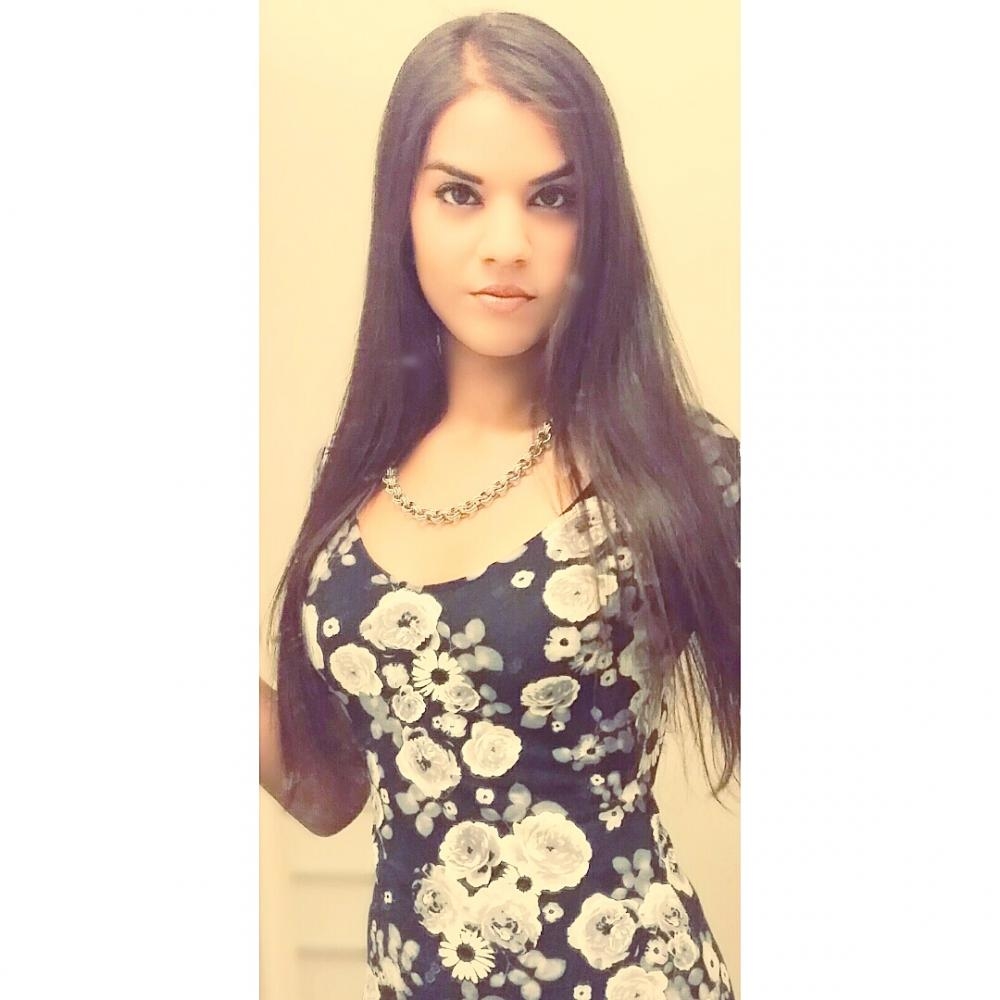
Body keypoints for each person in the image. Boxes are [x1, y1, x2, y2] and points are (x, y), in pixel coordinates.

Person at [260, 12, 739, 1000]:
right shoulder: (352, 478)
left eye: (553, 198)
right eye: (460, 194)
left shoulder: (679, 466)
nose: (507, 244)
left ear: (597, 224)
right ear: (403, 209)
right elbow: (330, 793)